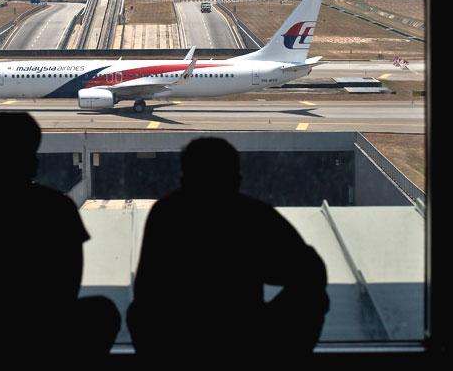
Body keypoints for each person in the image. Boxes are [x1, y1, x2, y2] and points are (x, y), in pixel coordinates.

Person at [0, 112, 120, 365]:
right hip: (40, 333)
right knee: (102, 312)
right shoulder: (56, 208)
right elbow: (69, 282)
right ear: (31, 158)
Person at [127, 137, 329, 364]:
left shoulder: (165, 213)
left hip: (172, 344)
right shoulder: (252, 215)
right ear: (236, 178)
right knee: (313, 297)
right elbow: (313, 271)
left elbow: (145, 291)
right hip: (246, 340)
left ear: (184, 176)